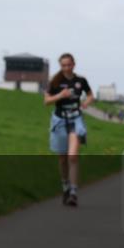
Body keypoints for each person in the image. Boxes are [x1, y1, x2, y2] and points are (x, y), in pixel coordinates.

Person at [44, 53, 94, 207]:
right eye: (63, 65)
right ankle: (65, 185)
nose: (66, 67)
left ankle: (73, 192)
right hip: (59, 120)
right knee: (62, 158)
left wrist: (86, 102)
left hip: (75, 120)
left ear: (74, 64)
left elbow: (91, 95)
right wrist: (60, 95)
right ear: (61, 66)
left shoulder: (81, 81)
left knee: (72, 156)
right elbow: (46, 101)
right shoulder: (55, 81)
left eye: (69, 65)